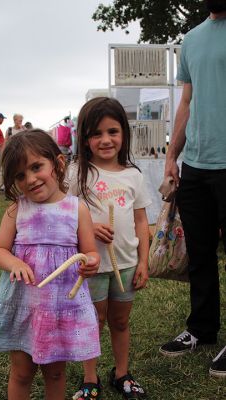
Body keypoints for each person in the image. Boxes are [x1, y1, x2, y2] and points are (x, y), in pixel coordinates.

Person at [0, 130, 101, 400]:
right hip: (26, 302)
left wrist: (91, 262)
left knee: (55, 373)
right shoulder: (16, 210)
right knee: (22, 372)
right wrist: (13, 262)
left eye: (37, 167)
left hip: (61, 306)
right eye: (21, 176)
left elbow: (90, 251)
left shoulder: (76, 208)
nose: (31, 179)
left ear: (57, 163)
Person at [68, 97, 151, 399]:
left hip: (127, 264)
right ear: (84, 138)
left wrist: (143, 262)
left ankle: (121, 373)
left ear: (124, 134)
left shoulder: (133, 174)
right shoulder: (76, 173)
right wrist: (87, 229)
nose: (105, 140)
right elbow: (65, 218)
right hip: (91, 266)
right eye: (96, 133)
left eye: (113, 131)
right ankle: (90, 379)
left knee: (119, 320)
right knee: (93, 321)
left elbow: (141, 221)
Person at [160, 0, 226, 379]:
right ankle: (202, 329)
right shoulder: (192, 39)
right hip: (196, 165)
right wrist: (173, 154)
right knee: (199, 253)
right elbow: (187, 100)